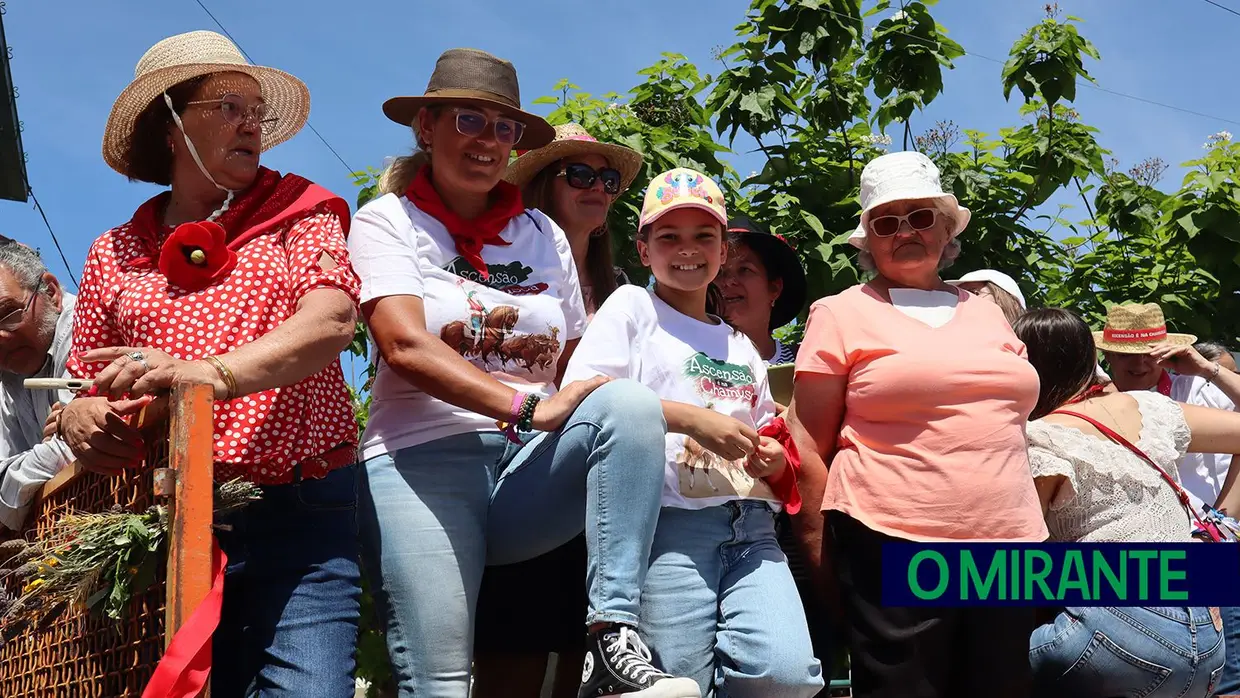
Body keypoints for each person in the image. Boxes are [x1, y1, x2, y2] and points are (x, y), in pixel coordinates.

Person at [347, 48, 699, 698]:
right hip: (423, 463)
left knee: (627, 405)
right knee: (441, 684)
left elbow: (571, 359)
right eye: (470, 122)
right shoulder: (387, 220)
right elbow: (403, 345)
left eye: (504, 128)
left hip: (524, 471)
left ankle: (612, 640)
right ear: (427, 127)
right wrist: (526, 408)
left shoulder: (541, 232)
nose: (489, 141)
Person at [61, 31, 363, 695]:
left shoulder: (299, 214)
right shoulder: (113, 251)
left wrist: (209, 373)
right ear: (171, 124)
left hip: (302, 512)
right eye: (229, 106)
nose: (252, 123)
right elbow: (84, 381)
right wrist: (79, 416)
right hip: (167, 524)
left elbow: (332, 320)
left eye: (259, 110)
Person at [788, 151, 1045, 698]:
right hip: (893, 542)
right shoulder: (839, 312)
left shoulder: (986, 309)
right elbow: (808, 446)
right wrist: (821, 557)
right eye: (886, 221)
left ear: (947, 227)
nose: (905, 231)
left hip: (1012, 544)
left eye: (922, 217)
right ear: (868, 239)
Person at [564, 167, 822, 698]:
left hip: (752, 529)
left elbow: (762, 429)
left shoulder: (741, 345)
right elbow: (586, 399)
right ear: (642, 249)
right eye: (669, 237)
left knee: (786, 674)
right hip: (668, 528)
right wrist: (691, 418)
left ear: (723, 251)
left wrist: (772, 455)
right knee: (677, 683)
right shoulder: (633, 307)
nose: (688, 249)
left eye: (704, 236)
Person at [468, 123, 644, 698]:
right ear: (544, 183)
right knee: (511, 653)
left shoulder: (624, 292)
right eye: (582, 174)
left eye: (610, 178)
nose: (599, 187)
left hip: (601, 491)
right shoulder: (501, 271)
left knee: (582, 657)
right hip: (518, 470)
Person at [1015, 308, 1229, 698]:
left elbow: (1030, 565)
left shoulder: (1040, 438)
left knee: (981, 663)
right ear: (1093, 358)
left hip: (1118, 634)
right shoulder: (1153, 408)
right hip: (1208, 637)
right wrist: (1222, 516)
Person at [1093, 303, 1240, 511]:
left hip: (1205, 533)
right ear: (1107, 354)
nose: (1139, 363)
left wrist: (1207, 369)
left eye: (1150, 353)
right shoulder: (1094, 403)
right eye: (1126, 355)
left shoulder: (1196, 389)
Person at [0, 240, 75, 531]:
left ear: (52, 293)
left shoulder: (85, 326)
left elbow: (73, 447)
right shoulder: (8, 373)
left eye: (7, 313)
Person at [716, 217, 807, 365]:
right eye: (719, 272)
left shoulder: (806, 363)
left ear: (774, 288)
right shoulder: (690, 362)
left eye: (744, 270)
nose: (728, 281)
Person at [948, 268, 1026, 325]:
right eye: (959, 297)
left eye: (973, 293)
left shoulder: (1032, 344)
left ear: (1012, 303)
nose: (963, 302)